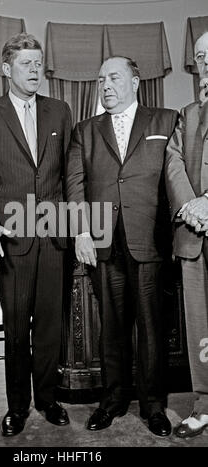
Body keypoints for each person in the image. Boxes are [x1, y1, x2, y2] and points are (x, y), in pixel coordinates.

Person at [66, 55, 178, 437]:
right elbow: (75, 184)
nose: (106, 85)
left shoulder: (166, 120)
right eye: (100, 80)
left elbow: (175, 178)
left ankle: (154, 406)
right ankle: (112, 401)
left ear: (135, 80)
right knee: (110, 329)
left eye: (113, 77)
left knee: (151, 328)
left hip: (150, 241)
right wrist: (81, 231)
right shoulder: (85, 130)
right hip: (103, 242)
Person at [0, 33, 72, 437]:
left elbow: (69, 174)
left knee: (49, 325)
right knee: (15, 327)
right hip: (12, 238)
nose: (34, 70)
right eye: (26, 63)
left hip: (53, 236)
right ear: (7, 69)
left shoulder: (61, 111)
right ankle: (17, 406)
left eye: (38, 62)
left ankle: (47, 399)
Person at [165, 31, 208, 439]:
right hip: (195, 236)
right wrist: (193, 205)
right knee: (201, 326)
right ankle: (204, 403)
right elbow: (174, 162)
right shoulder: (189, 114)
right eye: (200, 58)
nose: (205, 65)